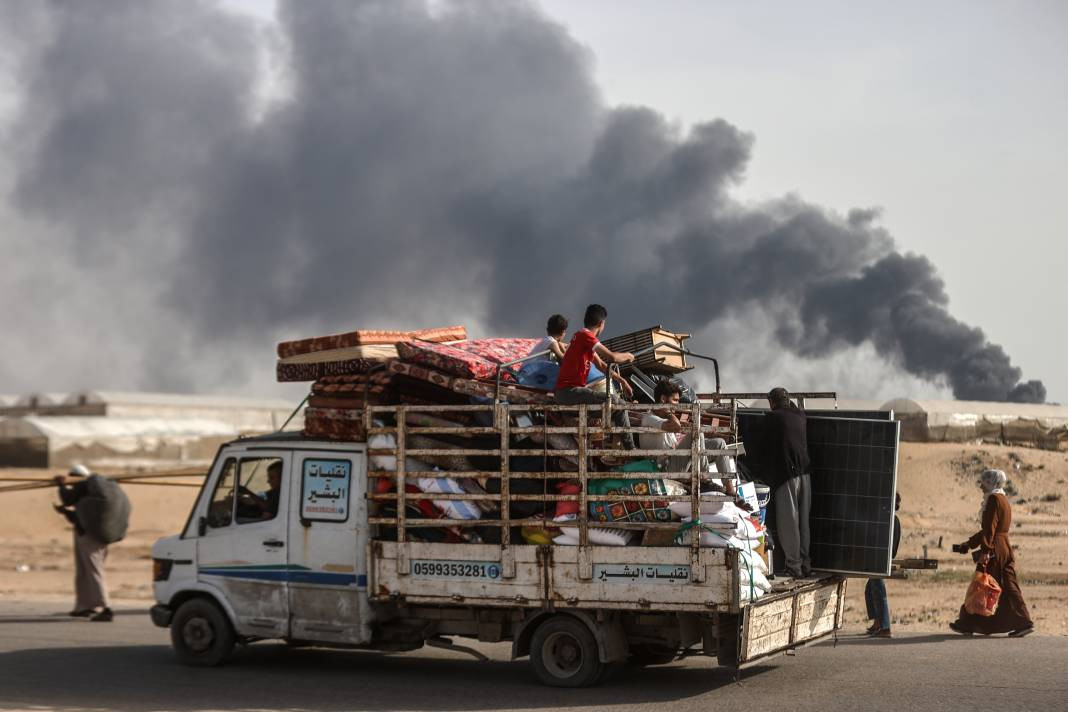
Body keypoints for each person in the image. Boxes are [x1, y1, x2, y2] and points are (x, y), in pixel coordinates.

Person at [950, 469, 1034, 637]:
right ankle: (1023, 621)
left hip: (995, 549)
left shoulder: (994, 500)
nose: (981, 486)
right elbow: (991, 530)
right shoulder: (1003, 499)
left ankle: (967, 624)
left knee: (980, 586)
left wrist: (986, 551)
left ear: (991, 483)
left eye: (984, 482)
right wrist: (968, 544)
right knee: (1008, 587)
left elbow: (990, 529)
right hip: (1005, 548)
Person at [553, 304, 636, 449]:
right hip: (569, 393)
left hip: (570, 393)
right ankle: (631, 450)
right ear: (601, 323)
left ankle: (612, 448)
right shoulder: (586, 336)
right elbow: (612, 357)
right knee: (619, 404)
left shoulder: (580, 338)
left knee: (613, 407)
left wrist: (622, 381)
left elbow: (602, 366)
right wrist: (628, 356)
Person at [639, 379, 734, 492]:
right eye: (675, 400)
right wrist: (669, 412)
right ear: (663, 399)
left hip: (677, 461)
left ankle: (730, 489)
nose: (678, 405)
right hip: (665, 469)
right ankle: (705, 479)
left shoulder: (665, 418)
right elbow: (675, 426)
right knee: (695, 432)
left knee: (719, 443)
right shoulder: (650, 418)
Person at [53, 464, 114, 622]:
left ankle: (106, 608)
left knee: (93, 572)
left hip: (90, 537)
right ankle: (85, 606)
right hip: (89, 535)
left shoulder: (84, 487)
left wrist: (61, 485)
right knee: (84, 572)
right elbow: (78, 515)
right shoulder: (91, 493)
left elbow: (68, 499)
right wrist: (65, 512)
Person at [762, 387, 811, 579]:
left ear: (771, 402)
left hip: (787, 475)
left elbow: (762, 444)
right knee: (804, 522)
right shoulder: (800, 415)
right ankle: (806, 563)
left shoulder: (772, 418)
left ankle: (794, 566)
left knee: (789, 522)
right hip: (806, 474)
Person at [865, 492, 902, 638]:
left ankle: (885, 627)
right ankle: (878, 623)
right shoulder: (890, 519)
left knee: (878, 589)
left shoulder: (890, 520)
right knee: (870, 589)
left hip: (881, 559)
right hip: (880, 558)